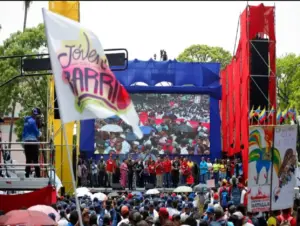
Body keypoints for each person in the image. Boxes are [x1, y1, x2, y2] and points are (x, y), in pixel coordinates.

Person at [22, 108, 41, 178]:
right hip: (33, 141)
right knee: (35, 158)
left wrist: (23, 140)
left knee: (28, 158)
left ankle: (27, 173)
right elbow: (36, 132)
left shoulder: (26, 122)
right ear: (34, 114)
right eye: (35, 114)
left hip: (26, 141)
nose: (35, 116)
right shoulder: (33, 121)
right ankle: (38, 174)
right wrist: (39, 133)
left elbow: (23, 132)